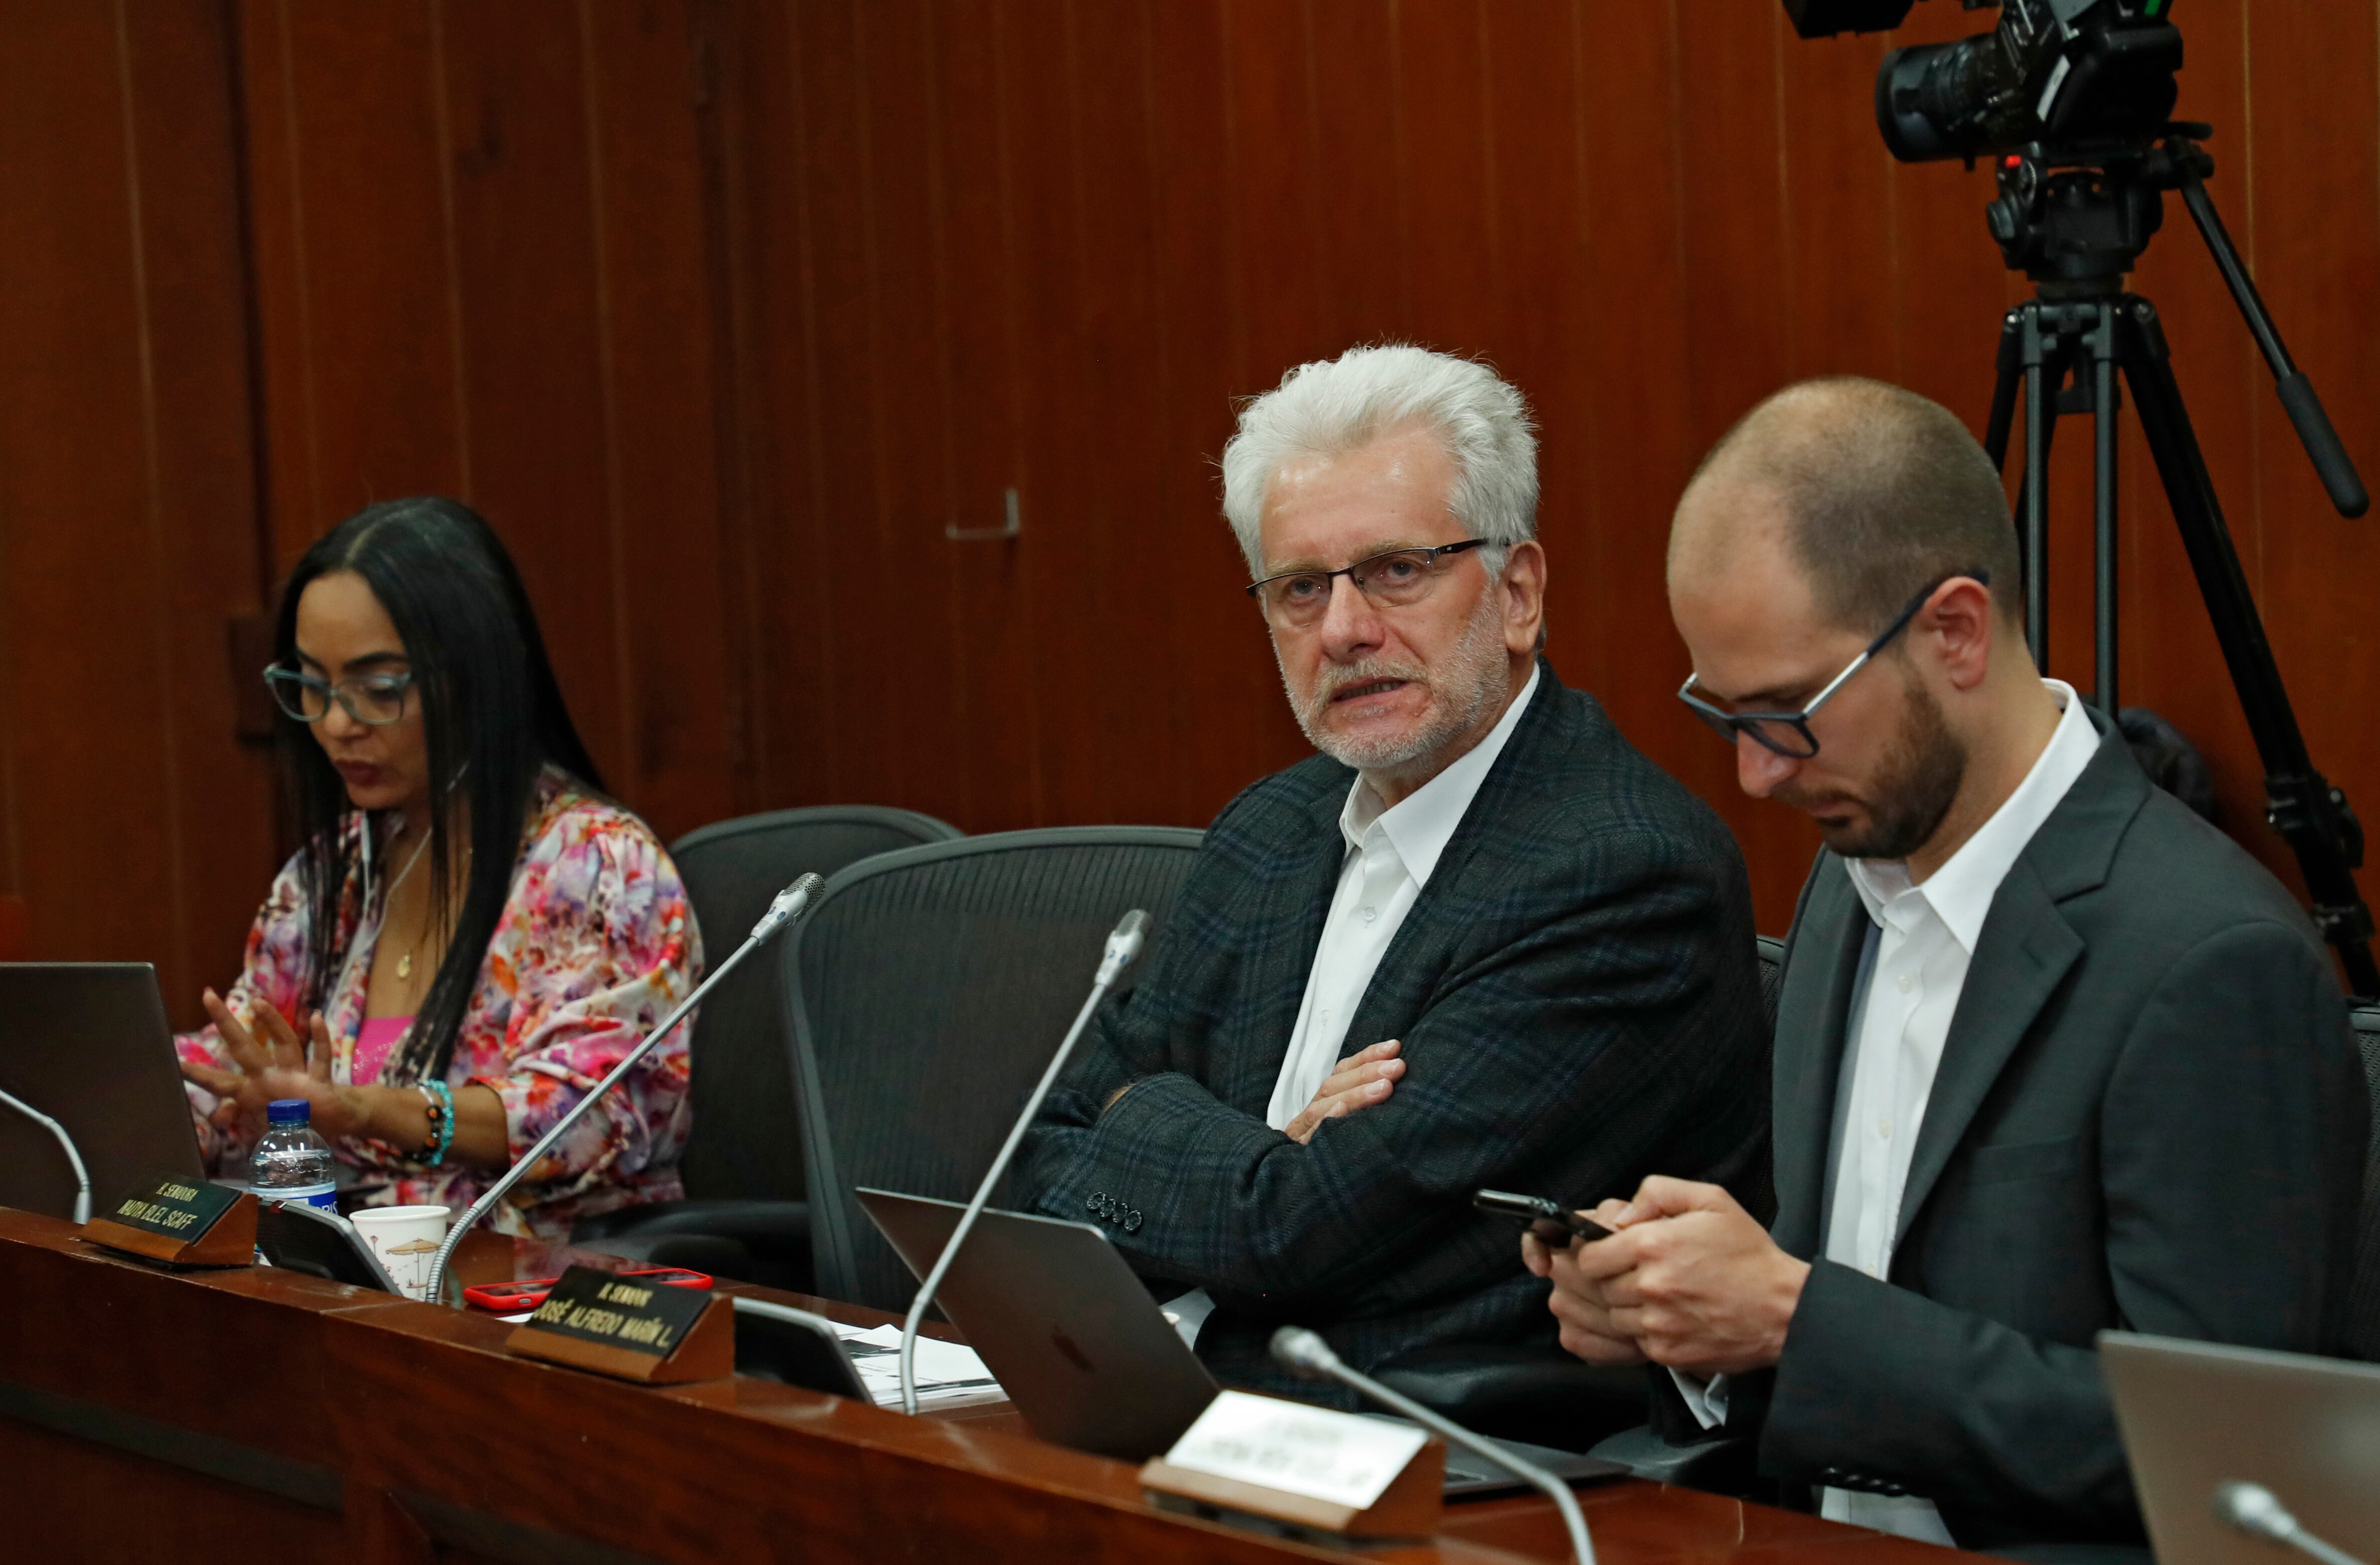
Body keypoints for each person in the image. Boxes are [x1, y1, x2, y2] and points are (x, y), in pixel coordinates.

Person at [1528, 377, 2367, 1554]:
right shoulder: (1850, 884)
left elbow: (2237, 1476)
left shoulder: (2210, 962)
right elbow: (1846, 1330)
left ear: (1956, 632)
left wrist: (1796, 1318)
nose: (1757, 776)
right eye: (1726, 718)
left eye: (1788, 712)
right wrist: (1692, 1322)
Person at [1017, 344, 1771, 1401]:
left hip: (1455, 1470)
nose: (1344, 630)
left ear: (1518, 592)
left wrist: (1154, 1117)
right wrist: (1272, 1154)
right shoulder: (1270, 829)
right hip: (1178, 1412)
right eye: (1300, 588)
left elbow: (1306, 1235)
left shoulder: (1621, 870)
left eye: (1397, 571)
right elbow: (1040, 1153)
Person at [178, 498, 702, 1237]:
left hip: (526, 1285)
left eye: (379, 689)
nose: (337, 724)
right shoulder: (332, 873)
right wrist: (106, 1097)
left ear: (478, 677)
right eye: (313, 686)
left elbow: (597, 1117)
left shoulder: (598, 865)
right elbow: (238, 1073)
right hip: (344, 1274)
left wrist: (362, 1109)